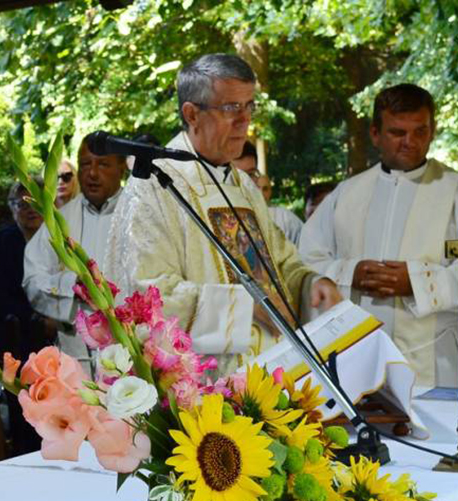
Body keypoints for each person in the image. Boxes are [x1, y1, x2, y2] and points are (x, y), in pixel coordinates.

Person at [107, 54, 341, 374]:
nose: (245, 121)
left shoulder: (243, 186)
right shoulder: (154, 188)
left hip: (274, 377)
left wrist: (310, 282)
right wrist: (243, 308)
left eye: (249, 107)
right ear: (192, 114)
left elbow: (281, 262)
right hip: (201, 390)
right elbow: (147, 295)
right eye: (231, 108)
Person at [299, 83, 457, 387]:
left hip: (437, 361)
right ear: (375, 133)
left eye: (420, 131)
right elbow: (305, 260)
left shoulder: (452, 189)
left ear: (433, 130)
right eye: (398, 132)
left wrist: (419, 283)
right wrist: (349, 274)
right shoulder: (347, 193)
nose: (410, 142)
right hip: (355, 357)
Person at [24, 132, 127, 369]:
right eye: (85, 164)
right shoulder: (60, 220)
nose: (92, 173)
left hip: (130, 347)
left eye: (102, 164)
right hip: (76, 352)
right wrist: (73, 285)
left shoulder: (141, 215)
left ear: (122, 168)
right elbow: (32, 278)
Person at [0, 180, 51, 455]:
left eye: (35, 202)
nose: (29, 209)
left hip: (59, 334)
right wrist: (34, 318)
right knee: (24, 408)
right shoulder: (1, 241)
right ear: (11, 209)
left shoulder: (57, 238)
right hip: (19, 335)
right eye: (21, 203)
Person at [234, 141, 304, 245]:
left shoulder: (284, 221)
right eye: (237, 175)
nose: (245, 182)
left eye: (250, 174)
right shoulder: (211, 220)